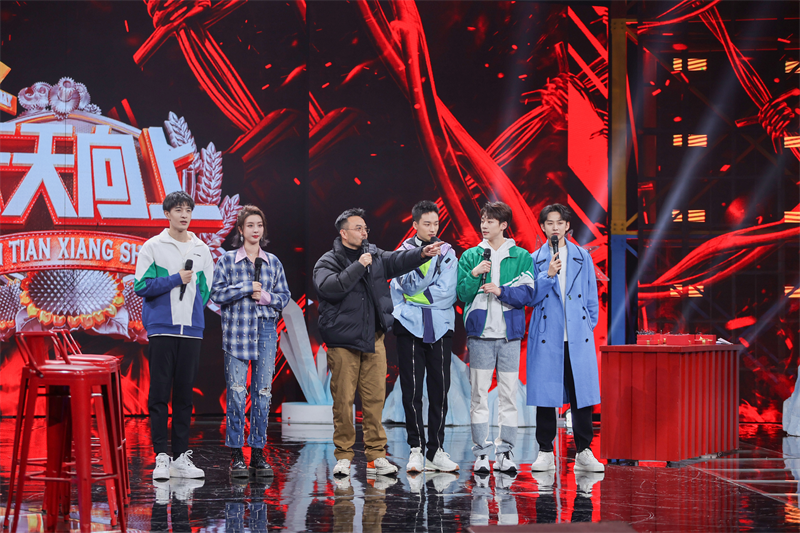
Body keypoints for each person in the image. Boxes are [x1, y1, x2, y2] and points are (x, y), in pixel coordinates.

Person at [313, 208, 443, 478]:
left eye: (365, 228)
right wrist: (359, 265)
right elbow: (330, 288)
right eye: (358, 228)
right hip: (343, 341)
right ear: (343, 233)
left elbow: (396, 259)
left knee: (374, 399)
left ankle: (376, 457)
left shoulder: (374, 254)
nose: (364, 233)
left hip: (374, 338)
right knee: (343, 400)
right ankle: (344, 456)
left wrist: (421, 254)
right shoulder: (328, 260)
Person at [134, 190, 214, 481]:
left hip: (191, 332)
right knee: (159, 394)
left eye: (188, 210)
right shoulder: (153, 247)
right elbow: (141, 286)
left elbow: (205, 290)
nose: (184, 215)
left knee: (184, 395)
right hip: (162, 330)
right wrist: (174, 280)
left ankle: (181, 457)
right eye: (178, 210)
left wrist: (189, 314)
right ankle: (161, 456)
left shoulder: (201, 249)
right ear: (167, 214)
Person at [211, 205, 290, 479]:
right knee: (236, 392)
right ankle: (236, 454)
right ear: (240, 230)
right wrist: (245, 288)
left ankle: (257, 451)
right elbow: (216, 294)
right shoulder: (227, 261)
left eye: (259, 225)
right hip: (237, 331)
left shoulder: (273, 262)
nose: (256, 230)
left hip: (265, 331)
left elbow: (284, 297)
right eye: (250, 225)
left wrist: (266, 297)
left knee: (263, 393)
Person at [456, 201, 535, 474]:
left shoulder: (521, 256)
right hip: (480, 337)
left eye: (490, 221)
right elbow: (462, 294)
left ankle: (505, 453)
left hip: (509, 337)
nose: (484, 225)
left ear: (503, 225)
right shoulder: (470, 256)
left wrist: (501, 291)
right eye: (482, 220)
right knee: (478, 395)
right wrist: (474, 274)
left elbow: (528, 293)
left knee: (508, 396)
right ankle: (481, 454)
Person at [527, 203, 605, 473]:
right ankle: (545, 451)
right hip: (547, 334)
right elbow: (531, 297)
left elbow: (591, 297)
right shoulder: (534, 258)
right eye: (550, 223)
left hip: (577, 335)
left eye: (559, 223)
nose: (555, 227)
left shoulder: (582, 256)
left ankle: (584, 451)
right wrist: (548, 275)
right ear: (542, 227)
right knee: (546, 394)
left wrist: (586, 326)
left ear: (568, 226)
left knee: (581, 393)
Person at [390, 201, 459, 474]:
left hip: (440, 327)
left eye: (436, 224)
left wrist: (415, 297)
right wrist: (425, 261)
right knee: (412, 390)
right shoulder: (402, 254)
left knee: (440, 389)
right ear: (415, 224)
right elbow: (405, 286)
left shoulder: (449, 252)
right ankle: (416, 449)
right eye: (427, 224)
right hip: (409, 326)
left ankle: (436, 450)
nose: (432, 229)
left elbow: (447, 293)